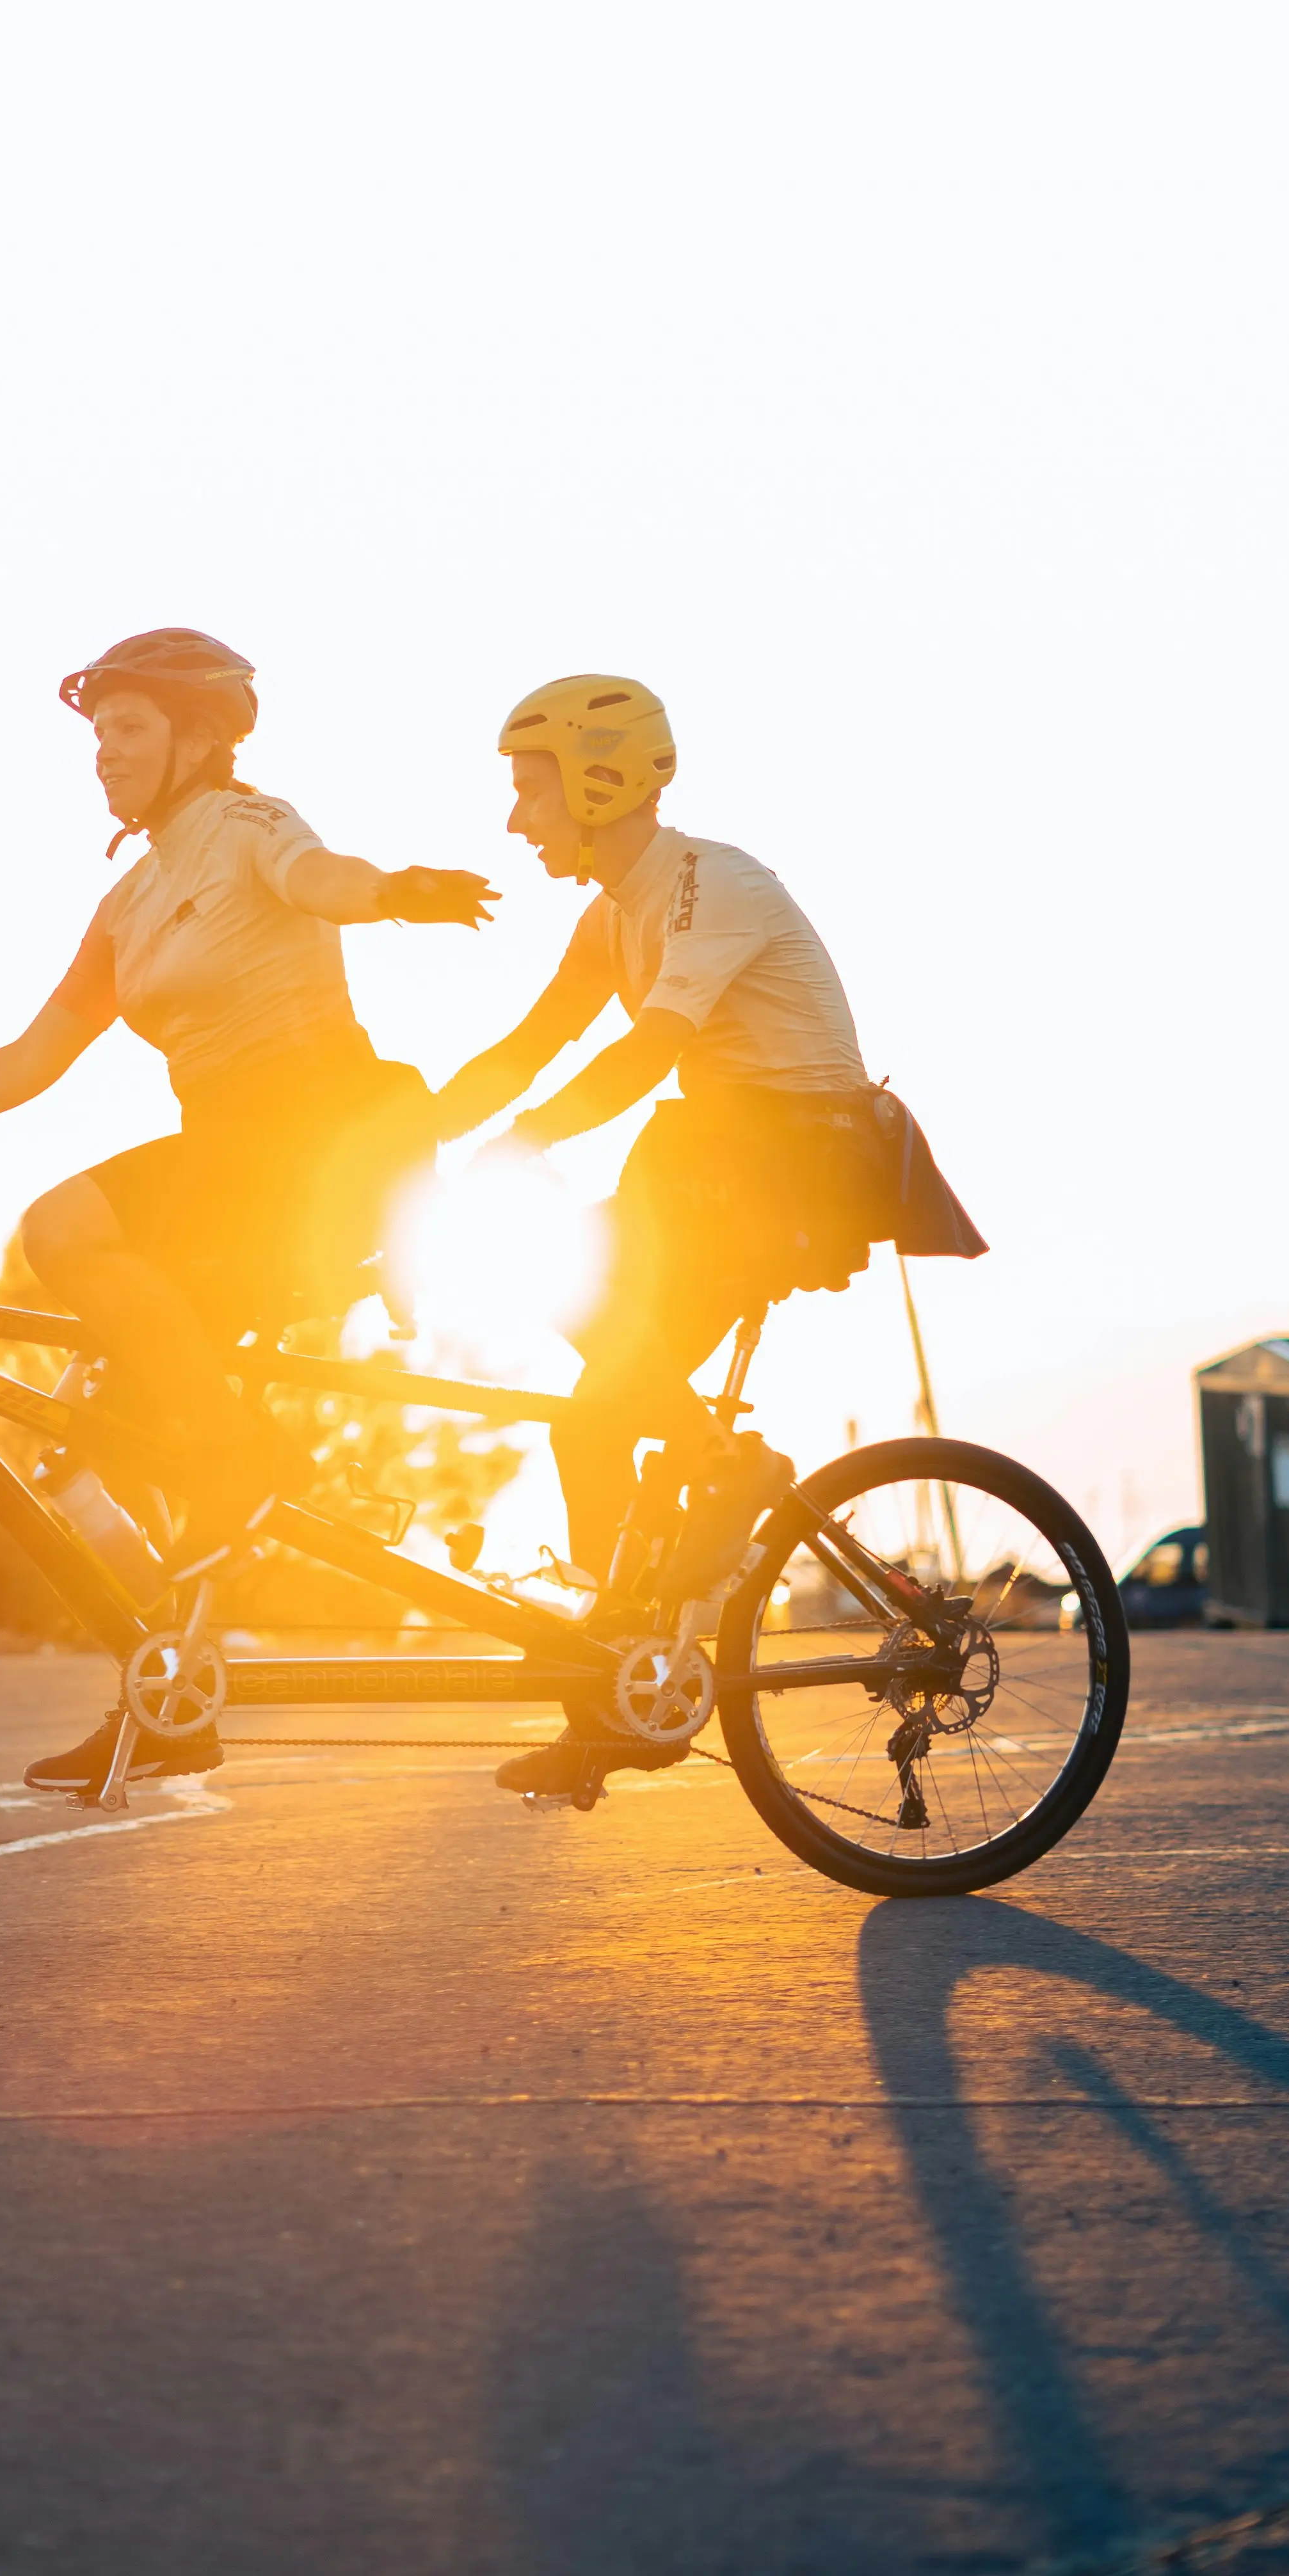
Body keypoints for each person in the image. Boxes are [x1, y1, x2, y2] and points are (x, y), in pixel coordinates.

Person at [0, 628, 493, 1795]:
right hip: (220, 1171)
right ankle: (172, 1693)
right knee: (86, 1451)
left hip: (308, 1146)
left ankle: (246, 1458)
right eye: (98, 737)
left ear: (202, 737)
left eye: (130, 730)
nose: (106, 755)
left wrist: (396, 895)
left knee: (59, 1228)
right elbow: (39, 1054)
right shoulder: (129, 901)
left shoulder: (252, 828)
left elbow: (321, 881)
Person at [430, 671, 982, 1795]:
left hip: (791, 1165)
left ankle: (735, 1473)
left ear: (600, 782)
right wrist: (399, 1144)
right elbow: (524, 1050)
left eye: (529, 791)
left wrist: (520, 1142)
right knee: (587, 1424)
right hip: (717, 1166)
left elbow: (641, 1058)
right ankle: (612, 1692)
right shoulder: (613, 912)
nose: (513, 820)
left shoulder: (703, 883)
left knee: (597, 1342)